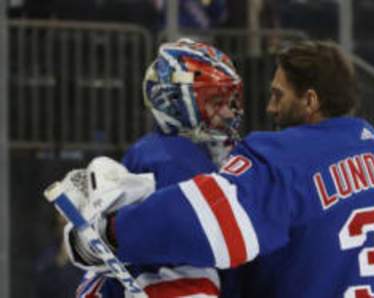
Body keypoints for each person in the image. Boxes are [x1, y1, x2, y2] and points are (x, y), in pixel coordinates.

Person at [68, 40, 374, 297]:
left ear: (310, 100)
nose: (269, 108)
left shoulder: (288, 156)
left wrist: (107, 231)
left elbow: (213, 223)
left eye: (278, 95)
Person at [69, 38, 243, 297]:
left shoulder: (162, 151)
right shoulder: (175, 160)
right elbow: (180, 276)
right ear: (175, 102)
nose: (228, 113)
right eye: (215, 101)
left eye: (229, 101)